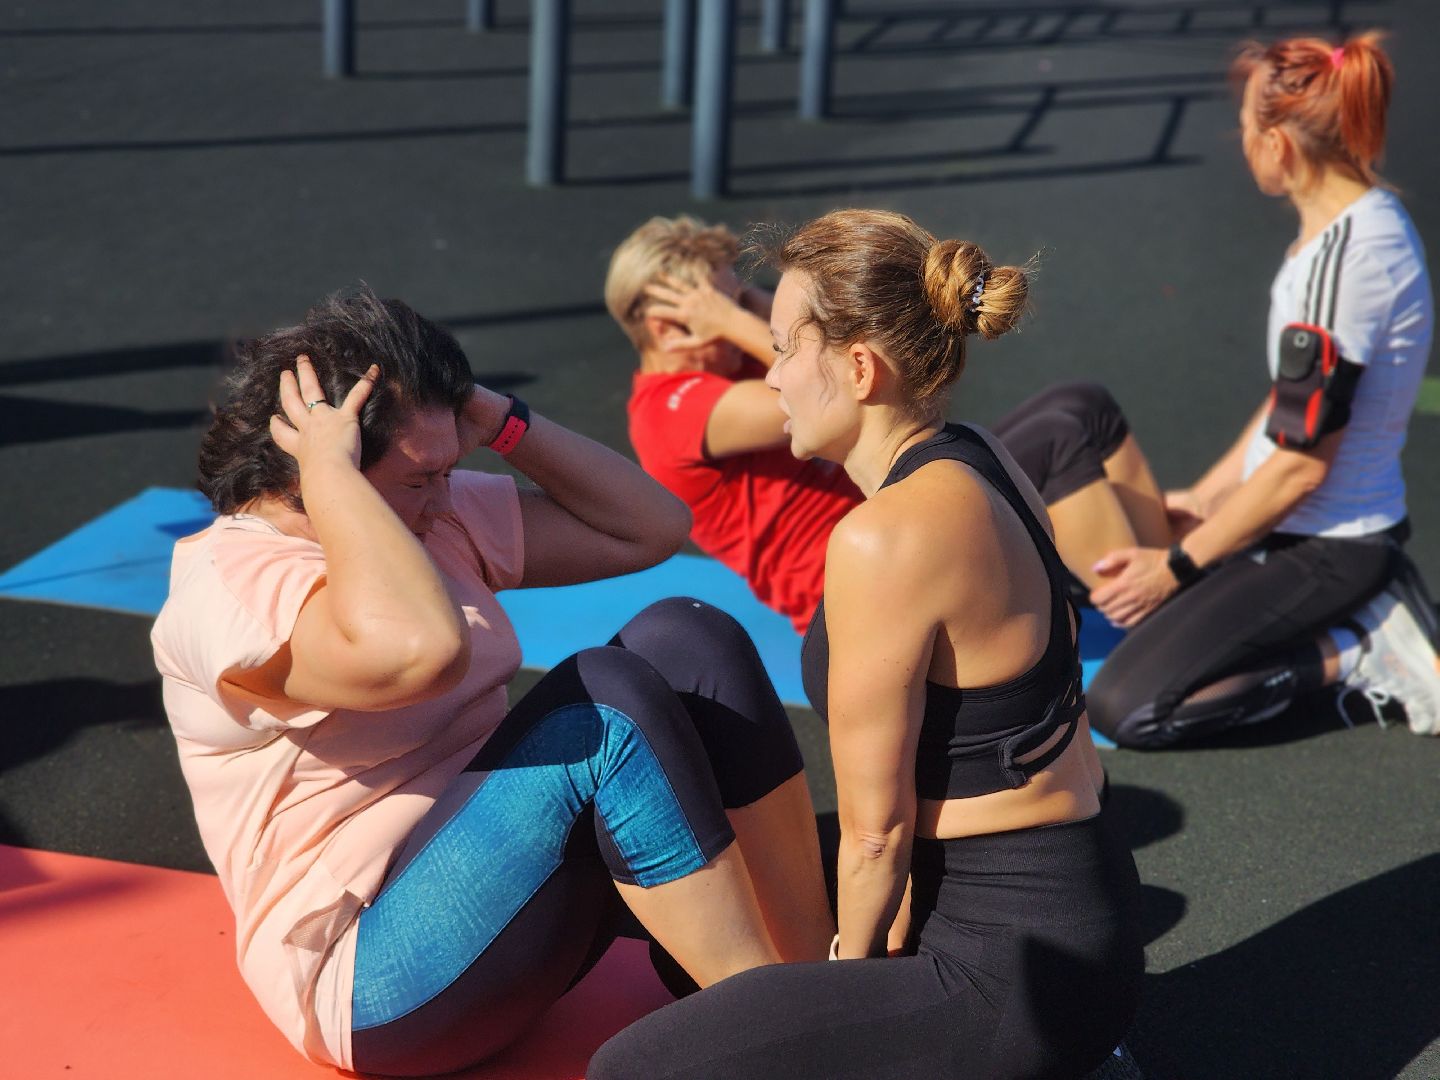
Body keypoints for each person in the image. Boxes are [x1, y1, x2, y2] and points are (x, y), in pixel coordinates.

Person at [150, 288, 833, 1076]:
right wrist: (333, 476)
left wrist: (491, 416)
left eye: (450, 470)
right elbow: (422, 652)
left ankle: (810, 974)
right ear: (317, 466)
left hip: (509, 912)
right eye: (420, 479)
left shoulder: (416, 509)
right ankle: (779, 1044)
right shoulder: (234, 587)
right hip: (373, 982)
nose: (443, 499)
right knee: (600, 706)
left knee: (689, 636)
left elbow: (651, 527)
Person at [590, 210, 1143, 1080]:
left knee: (631, 1070)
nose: (768, 376)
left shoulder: (882, 539)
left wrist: (845, 997)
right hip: (1081, 916)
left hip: (1009, 973)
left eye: (779, 348)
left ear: (858, 368)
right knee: (699, 974)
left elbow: (877, 836)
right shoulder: (979, 453)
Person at [1071, 31, 1440, 746]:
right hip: (1285, 522)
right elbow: (1290, 402)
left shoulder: (1346, 267)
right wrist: (1204, 500)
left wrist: (1176, 567)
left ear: (1280, 146)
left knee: (1132, 707)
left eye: (1246, 127)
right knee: (1147, 631)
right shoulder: (1342, 230)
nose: (1240, 140)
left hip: (1332, 545)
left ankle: (1361, 646)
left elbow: (1303, 465)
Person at [610, 218, 1171, 634]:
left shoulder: (731, 366)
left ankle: (1161, 557)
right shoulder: (670, 410)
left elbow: (806, 349)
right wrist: (734, 318)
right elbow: (822, 384)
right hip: (860, 583)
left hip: (898, 525)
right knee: (1059, 436)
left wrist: (742, 307)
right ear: (665, 327)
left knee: (1078, 405)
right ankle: (1143, 602)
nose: (745, 315)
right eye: (721, 309)